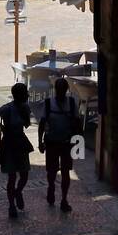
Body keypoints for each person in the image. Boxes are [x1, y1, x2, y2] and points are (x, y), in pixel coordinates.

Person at [0, 83, 33, 218]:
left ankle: (18, 192)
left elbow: (27, 124)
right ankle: (11, 205)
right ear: (20, 95)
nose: (27, 95)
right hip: (10, 144)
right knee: (12, 177)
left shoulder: (25, 108)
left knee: (24, 174)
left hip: (19, 142)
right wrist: (1, 125)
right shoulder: (7, 109)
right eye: (25, 93)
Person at [38, 76, 79, 212]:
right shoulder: (51, 103)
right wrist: (40, 142)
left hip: (64, 143)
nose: (61, 92)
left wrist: (40, 142)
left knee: (64, 171)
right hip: (54, 142)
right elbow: (42, 123)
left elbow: (77, 125)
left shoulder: (70, 103)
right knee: (53, 171)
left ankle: (63, 198)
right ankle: (53, 189)